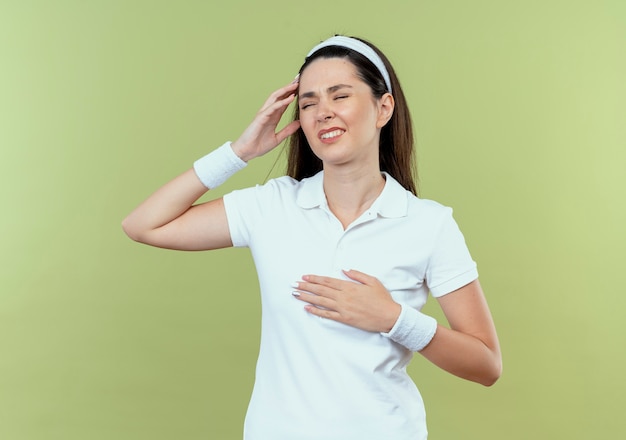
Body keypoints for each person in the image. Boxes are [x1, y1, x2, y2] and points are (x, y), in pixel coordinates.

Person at [122, 35, 502, 440]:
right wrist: (240, 152)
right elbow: (145, 224)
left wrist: (394, 320)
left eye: (340, 96)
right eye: (308, 103)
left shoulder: (428, 224)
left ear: (383, 108)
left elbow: (486, 364)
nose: (323, 113)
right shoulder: (272, 207)